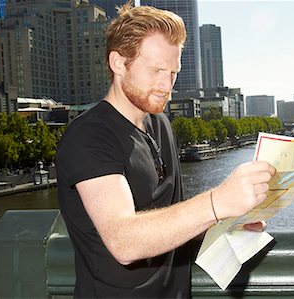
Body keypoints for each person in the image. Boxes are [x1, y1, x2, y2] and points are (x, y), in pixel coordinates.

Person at [56, 3, 276, 298]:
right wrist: (218, 202)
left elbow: (169, 222)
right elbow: (124, 241)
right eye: (156, 70)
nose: (166, 86)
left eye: (173, 72)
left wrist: (225, 222)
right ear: (119, 64)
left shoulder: (160, 124)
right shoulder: (88, 135)